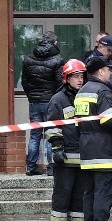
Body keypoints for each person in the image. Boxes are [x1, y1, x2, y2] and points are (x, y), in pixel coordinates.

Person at [74, 55, 112, 221]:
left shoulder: (81, 91)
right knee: (104, 193)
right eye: (108, 70)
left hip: (87, 149)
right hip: (104, 150)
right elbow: (109, 120)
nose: (111, 73)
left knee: (90, 192)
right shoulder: (104, 91)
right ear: (101, 71)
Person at [45, 59, 87, 221]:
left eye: (81, 76)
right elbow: (52, 126)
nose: (80, 80)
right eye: (76, 77)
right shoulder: (58, 100)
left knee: (80, 193)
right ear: (66, 78)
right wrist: (57, 147)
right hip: (65, 154)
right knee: (63, 192)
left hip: (83, 154)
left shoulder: (84, 97)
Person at [21, 30, 64, 176]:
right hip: (50, 101)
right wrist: (56, 99)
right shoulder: (58, 59)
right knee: (51, 134)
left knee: (35, 135)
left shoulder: (28, 58)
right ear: (54, 43)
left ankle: (30, 167)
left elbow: (25, 82)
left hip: (34, 101)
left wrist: (31, 96)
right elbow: (60, 82)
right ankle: (51, 167)